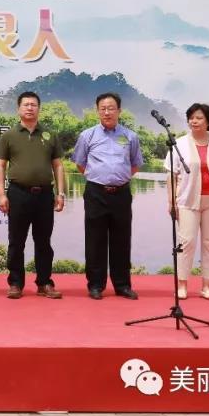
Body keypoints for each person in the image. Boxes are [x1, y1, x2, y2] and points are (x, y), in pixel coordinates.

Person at [0, 91, 66, 300]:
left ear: (39, 109)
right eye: (25, 104)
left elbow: (58, 166)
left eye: (33, 105)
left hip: (44, 195)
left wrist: (60, 193)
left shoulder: (50, 134)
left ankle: (44, 283)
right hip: (18, 194)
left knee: (43, 241)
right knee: (16, 241)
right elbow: (0, 166)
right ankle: (15, 283)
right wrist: (1, 194)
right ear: (18, 109)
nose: (29, 108)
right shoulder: (9, 135)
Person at [72, 92, 144, 300]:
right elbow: (80, 163)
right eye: (102, 108)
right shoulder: (87, 136)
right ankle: (95, 285)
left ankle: (122, 285)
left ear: (119, 111)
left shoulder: (131, 136)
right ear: (97, 111)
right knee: (95, 240)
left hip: (121, 194)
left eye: (111, 108)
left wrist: (119, 178)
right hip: (96, 193)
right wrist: (99, 177)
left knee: (122, 239)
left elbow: (135, 165)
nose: (107, 112)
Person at [168, 103, 209, 301]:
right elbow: (171, 176)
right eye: (191, 118)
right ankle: (182, 285)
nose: (194, 121)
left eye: (199, 118)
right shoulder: (179, 144)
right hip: (187, 201)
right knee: (186, 242)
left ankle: (206, 287)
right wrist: (171, 202)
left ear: (208, 121)